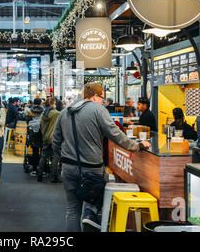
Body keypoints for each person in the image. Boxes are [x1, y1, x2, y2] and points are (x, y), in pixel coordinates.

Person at [52, 83, 150, 232]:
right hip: (93, 169)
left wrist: (63, 159)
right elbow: (116, 135)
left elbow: (56, 140)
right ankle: (90, 216)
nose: (103, 101)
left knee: (72, 210)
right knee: (94, 203)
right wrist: (137, 146)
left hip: (69, 168)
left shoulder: (65, 112)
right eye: (102, 97)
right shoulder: (98, 110)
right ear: (95, 96)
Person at [39, 97, 61, 183]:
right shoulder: (56, 113)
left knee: (43, 156)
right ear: (52, 104)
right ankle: (53, 177)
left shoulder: (44, 114)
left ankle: (39, 175)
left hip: (45, 137)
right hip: (54, 138)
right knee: (55, 157)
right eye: (54, 103)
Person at [24, 98, 45, 176]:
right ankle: (42, 170)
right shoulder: (44, 110)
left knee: (35, 151)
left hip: (32, 132)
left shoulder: (30, 110)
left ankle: (34, 169)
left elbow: (27, 120)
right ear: (40, 103)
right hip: (41, 131)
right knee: (43, 151)